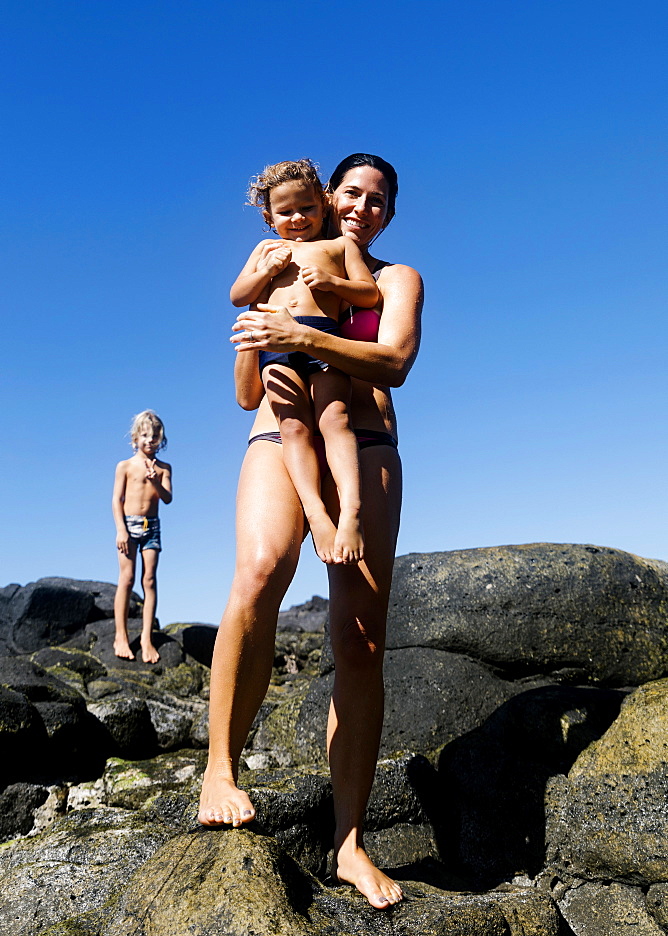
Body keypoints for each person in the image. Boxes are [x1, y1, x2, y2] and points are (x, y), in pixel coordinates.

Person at [199, 154, 423, 910]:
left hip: (367, 446)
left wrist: (307, 332)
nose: (364, 207)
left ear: (389, 212)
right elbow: (242, 393)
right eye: (352, 193)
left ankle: (350, 842)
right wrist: (259, 340)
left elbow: (392, 361)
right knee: (260, 572)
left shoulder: (394, 280)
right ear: (329, 197)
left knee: (359, 640)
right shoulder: (282, 262)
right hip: (277, 433)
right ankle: (220, 769)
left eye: (379, 200)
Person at [231, 158, 379, 564]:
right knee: (293, 427)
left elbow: (368, 294)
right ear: (268, 216)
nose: (297, 218)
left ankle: (350, 513)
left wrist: (334, 283)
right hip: (275, 344)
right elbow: (238, 295)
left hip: (322, 336)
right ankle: (317, 513)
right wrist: (265, 271)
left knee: (336, 421)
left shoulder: (340, 246)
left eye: (307, 208)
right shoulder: (266, 249)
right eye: (285, 212)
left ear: (324, 203)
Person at [112, 410, 173, 664]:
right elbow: (117, 500)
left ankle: (146, 638)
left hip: (152, 527)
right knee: (127, 579)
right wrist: (121, 530)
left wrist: (156, 481)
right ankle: (121, 636)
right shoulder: (125, 466)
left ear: (162, 439)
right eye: (145, 435)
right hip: (129, 525)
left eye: (155, 436)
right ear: (135, 438)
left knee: (149, 580)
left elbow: (167, 498)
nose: (150, 440)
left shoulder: (164, 468)